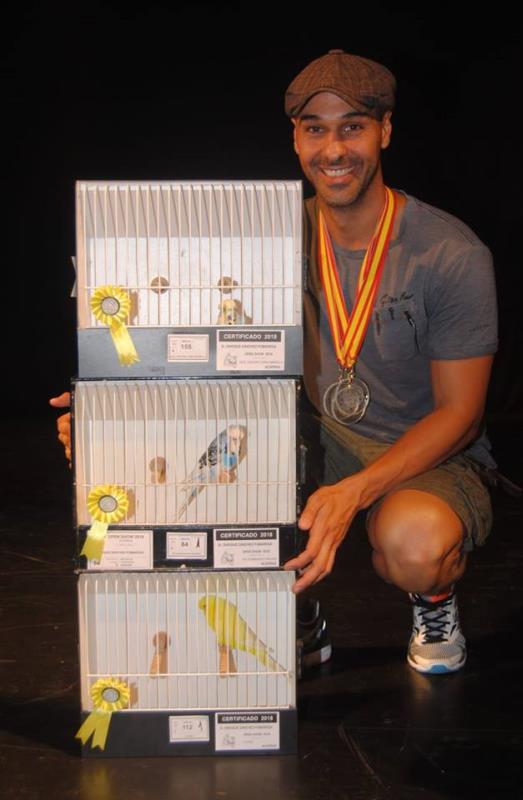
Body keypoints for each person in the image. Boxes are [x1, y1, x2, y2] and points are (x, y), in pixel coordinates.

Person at [51, 49, 498, 675]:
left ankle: (435, 602)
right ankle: (296, 611)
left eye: (352, 127)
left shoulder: (450, 252)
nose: (333, 149)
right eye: (316, 129)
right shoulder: (265, 237)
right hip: (312, 435)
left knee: (414, 546)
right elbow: (186, 339)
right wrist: (111, 410)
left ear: (385, 130)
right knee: (198, 476)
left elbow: (461, 414)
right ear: (296, 138)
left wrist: (354, 493)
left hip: (424, 448)